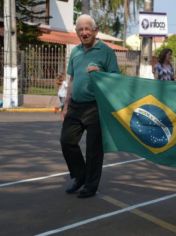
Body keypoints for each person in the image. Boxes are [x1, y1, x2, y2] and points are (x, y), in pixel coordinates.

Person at [60, 14, 120, 198]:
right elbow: (71, 79)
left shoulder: (106, 52)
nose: (84, 32)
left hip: (97, 106)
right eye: (80, 29)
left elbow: (116, 79)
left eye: (87, 29)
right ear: (76, 32)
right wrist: (65, 104)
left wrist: (101, 73)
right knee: (67, 141)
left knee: (94, 150)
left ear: (95, 31)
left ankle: (90, 186)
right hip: (76, 106)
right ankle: (80, 175)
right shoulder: (75, 52)